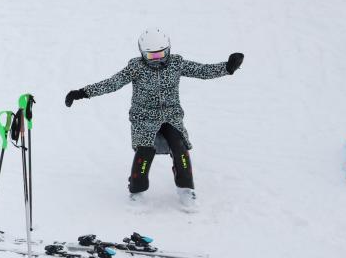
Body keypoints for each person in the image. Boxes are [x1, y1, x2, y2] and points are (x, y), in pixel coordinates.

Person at [63, 28, 243, 210]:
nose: (157, 59)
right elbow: (113, 83)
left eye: (161, 54)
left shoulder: (176, 63)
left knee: (179, 147)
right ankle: (137, 191)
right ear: (142, 54)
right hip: (144, 117)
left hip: (171, 115)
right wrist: (82, 93)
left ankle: (186, 189)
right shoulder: (136, 67)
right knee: (145, 151)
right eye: (151, 55)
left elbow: (202, 71)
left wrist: (227, 67)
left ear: (169, 50)